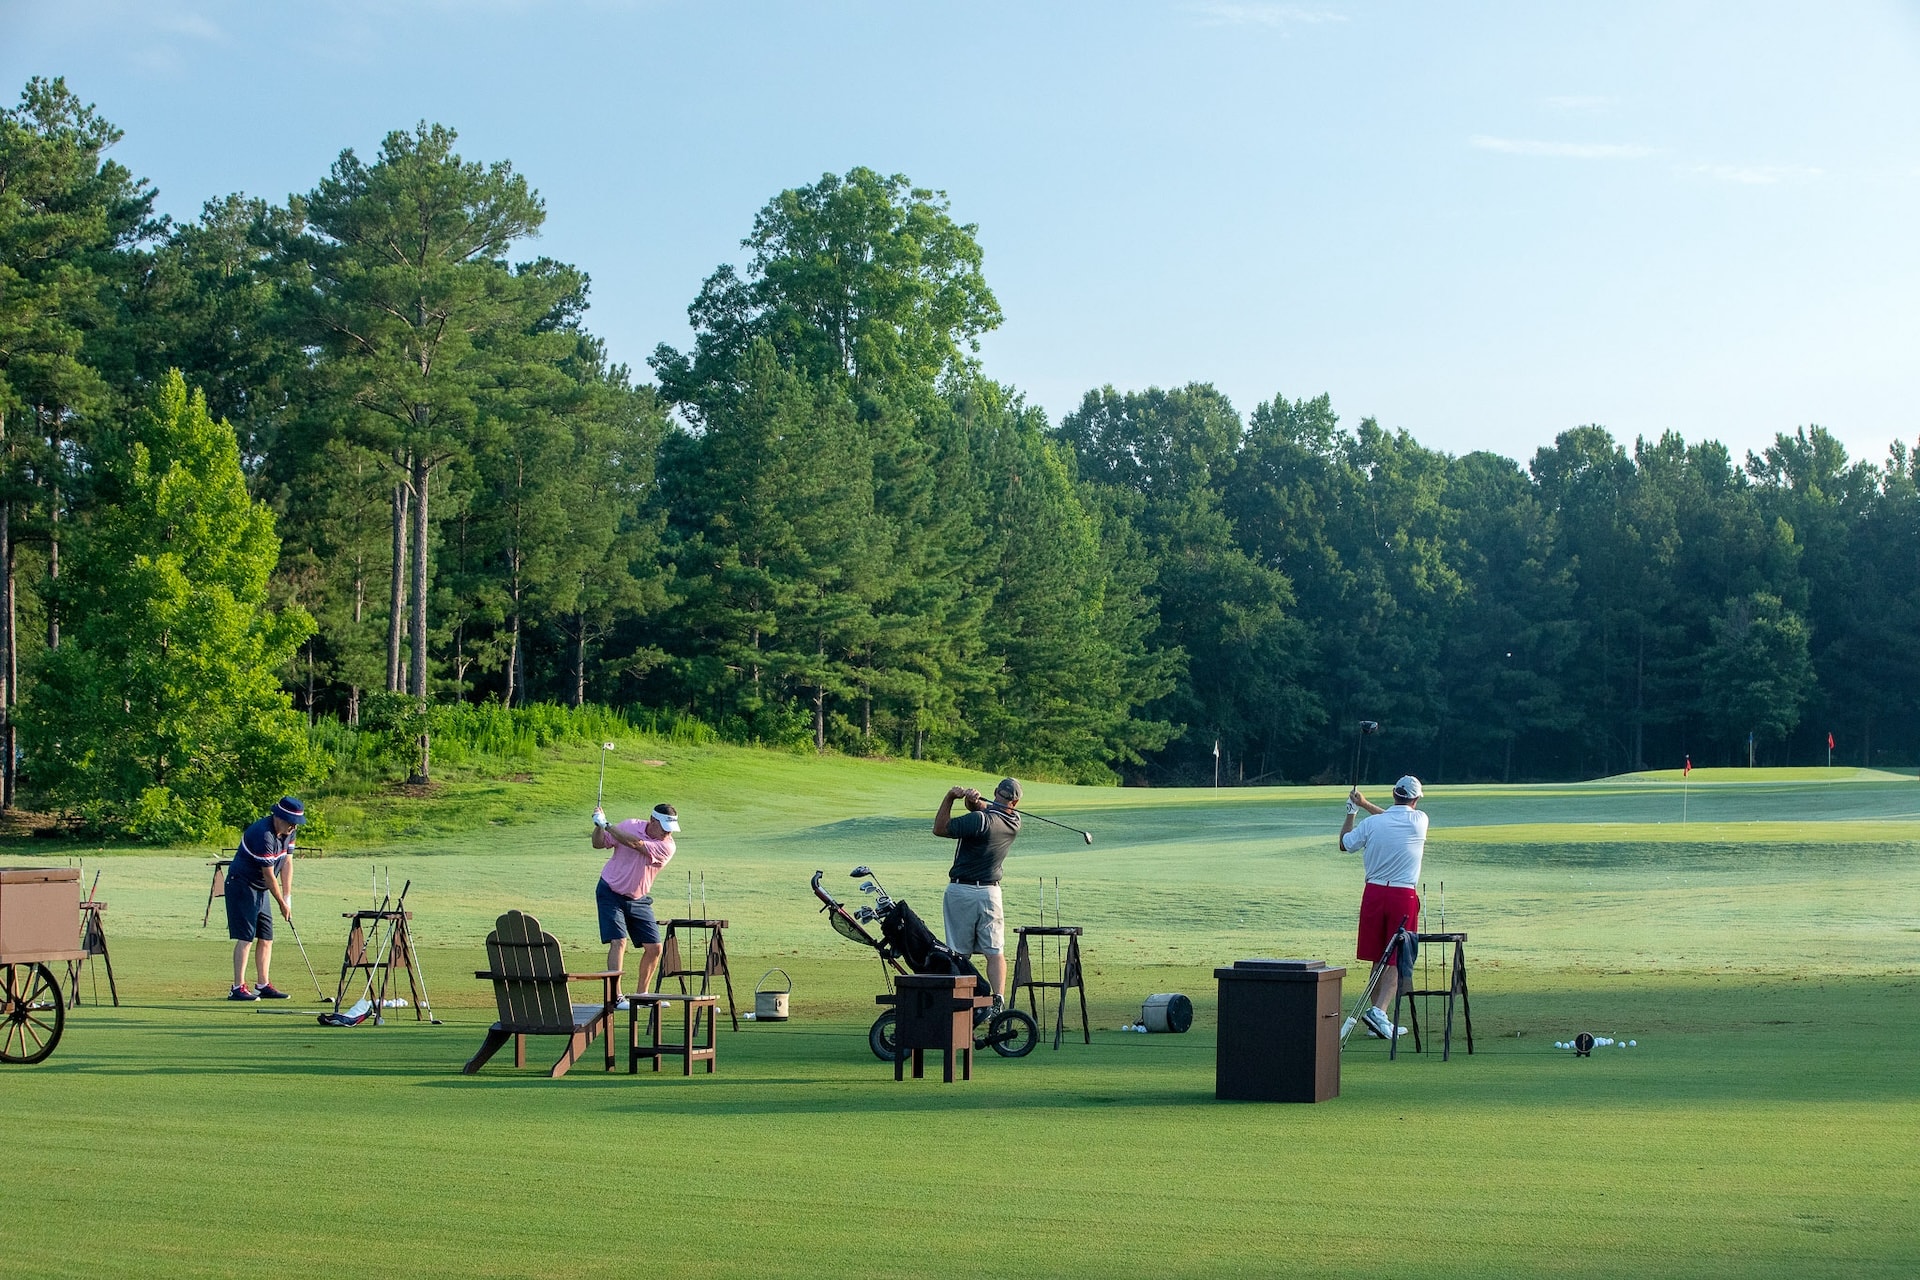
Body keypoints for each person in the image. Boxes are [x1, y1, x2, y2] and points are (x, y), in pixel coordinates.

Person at [1337, 775, 1428, 1038]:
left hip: (1374, 893)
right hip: (1403, 895)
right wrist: (1365, 805)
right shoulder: (1420, 820)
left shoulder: (1373, 823)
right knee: (1399, 957)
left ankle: (1377, 1021)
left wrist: (1353, 811)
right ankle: (1378, 1012)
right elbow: (1391, 819)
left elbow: (1344, 843)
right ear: (1415, 799)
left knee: (1379, 957)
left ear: (1394, 793)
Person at [933, 777, 1022, 1009]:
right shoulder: (1014, 821)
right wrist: (972, 802)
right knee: (995, 951)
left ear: (995, 792)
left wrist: (950, 797)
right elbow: (987, 811)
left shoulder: (979, 820)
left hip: (962, 891)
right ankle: (998, 1001)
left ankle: (961, 1004)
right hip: (991, 894)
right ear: (1015, 802)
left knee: (959, 954)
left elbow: (939, 828)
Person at [591, 801, 679, 1005]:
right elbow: (598, 843)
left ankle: (642, 995)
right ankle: (615, 997)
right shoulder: (629, 825)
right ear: (652, 820)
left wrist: (607, 824)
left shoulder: (668, 846)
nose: (668, 833)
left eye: (671, 829)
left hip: (639, 898)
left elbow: (636, 844)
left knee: (655, 948)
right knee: (619, 941)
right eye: (664, 828)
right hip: (610, 891)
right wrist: (598, 825)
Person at [225, 795, 304, 1000]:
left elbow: (287, 863)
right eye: (291, 822)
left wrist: (287, 897)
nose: (293, 827)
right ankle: (237, 988)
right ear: (279, 817)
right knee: (246, 937)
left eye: (296, 823)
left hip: (261, 888)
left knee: (267, 937)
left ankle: (262, 985)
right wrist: (281, 904)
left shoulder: (289, 833)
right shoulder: (263, 834)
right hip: (242, 884)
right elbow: (269, 875)